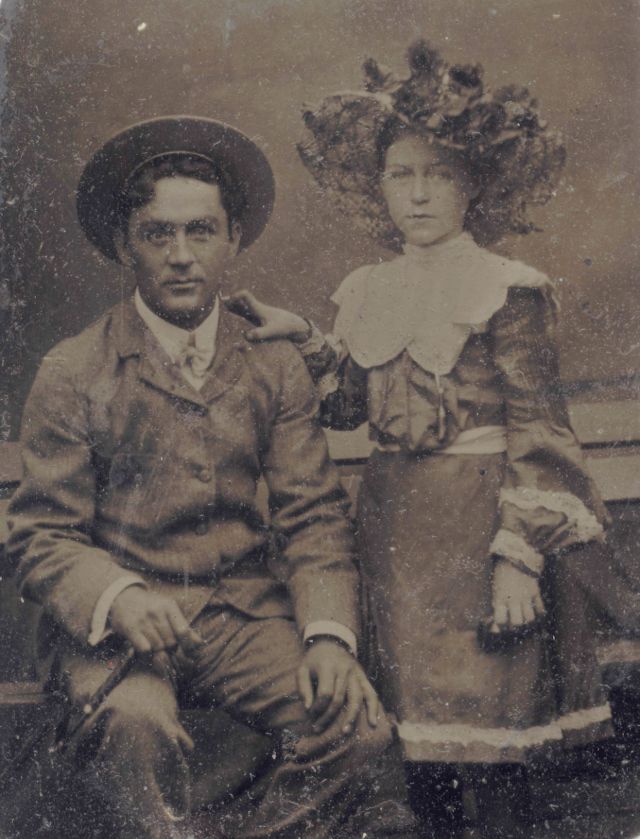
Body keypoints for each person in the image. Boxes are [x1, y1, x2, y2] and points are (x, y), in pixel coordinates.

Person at [226, 42, 620, 838]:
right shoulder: (369, 289)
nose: (417, 193)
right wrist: (305, 337)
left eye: (439, 174)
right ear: (377, 187)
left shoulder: (506, 287)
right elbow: (351, 407)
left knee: (494, 735)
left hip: (481, 528)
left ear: (473, 185)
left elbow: (539, 430)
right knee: (418, 742)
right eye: (400, 174)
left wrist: (517, 556)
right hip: (394, 529)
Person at [6, 116, 418, 839]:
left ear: (233, 240)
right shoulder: (74, 370)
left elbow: (314, 517)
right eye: (157, 235)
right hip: (120, 633)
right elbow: (40, 535)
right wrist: (118, 594)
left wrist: (328, 637)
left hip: (240, 616)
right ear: (124, 246)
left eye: (201, 232)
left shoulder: (271, 361)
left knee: (358, 729)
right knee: (135, 727)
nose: (181, 257)